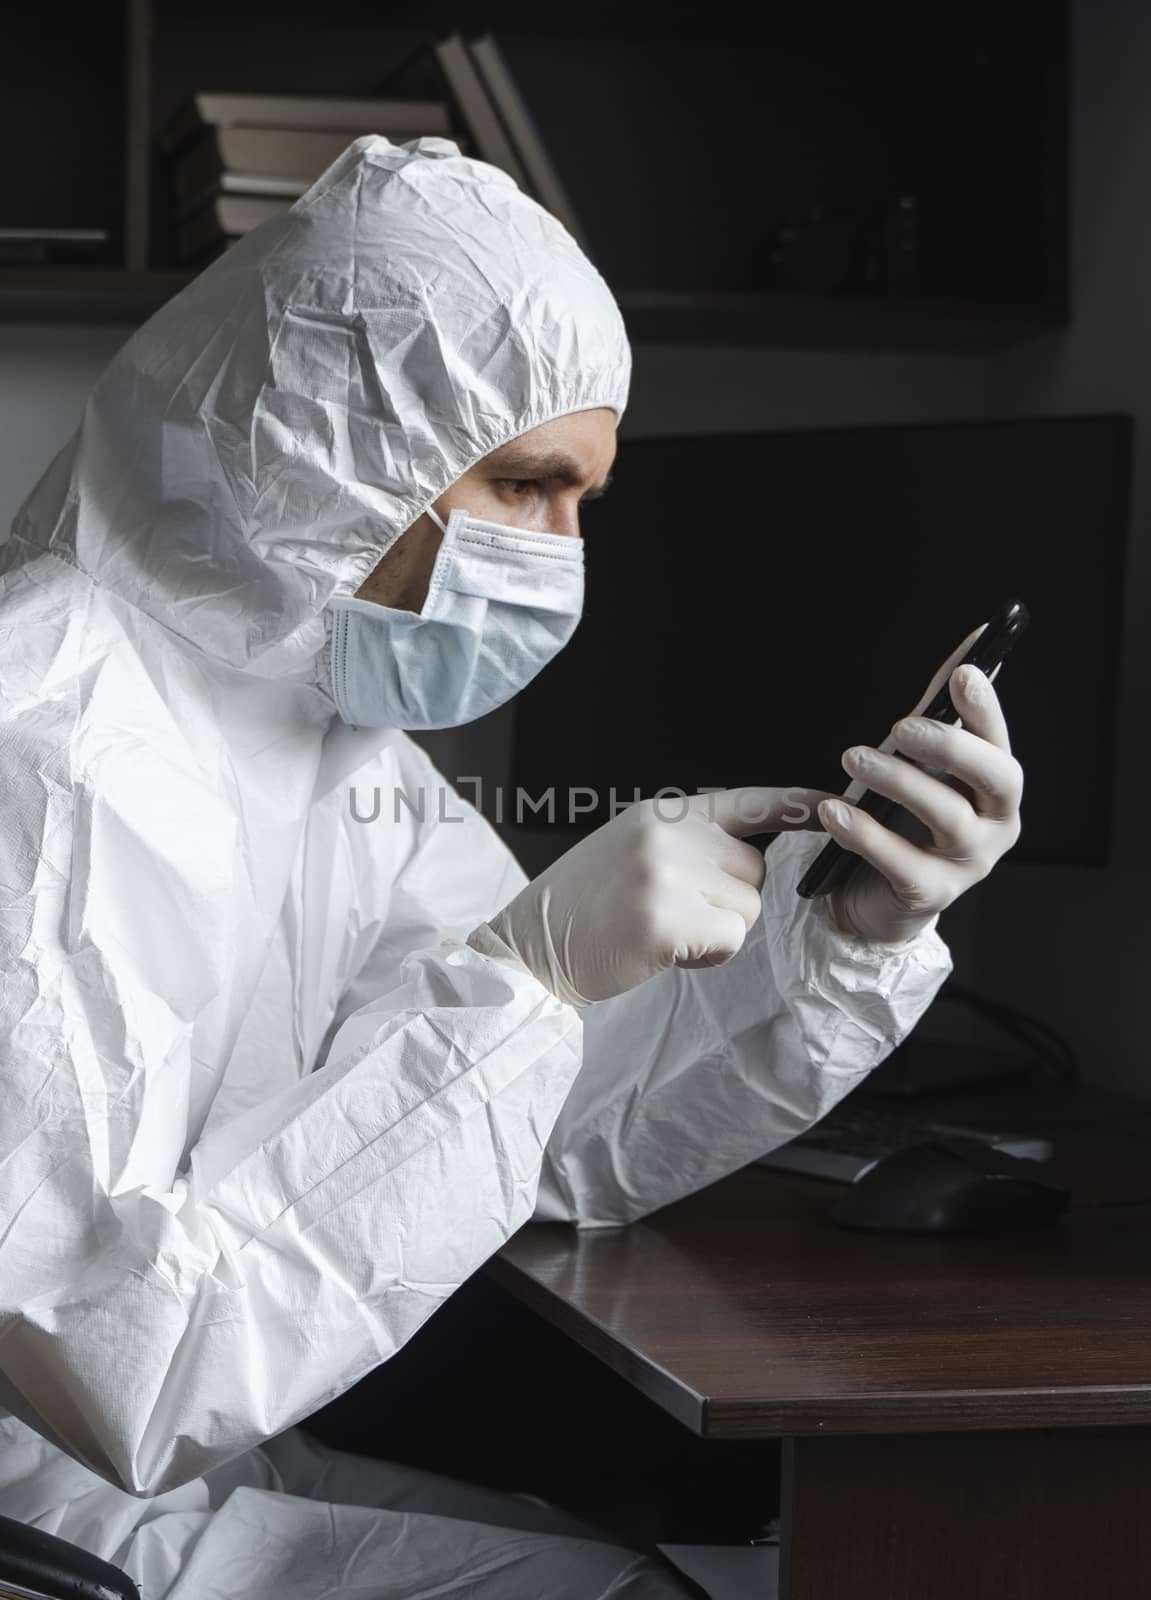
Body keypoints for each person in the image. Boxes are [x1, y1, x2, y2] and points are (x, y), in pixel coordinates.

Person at [0, 136, 1023, 1599]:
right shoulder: (40, 734)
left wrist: (846, 933)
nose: (564, 556)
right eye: (530, 485)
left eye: (586, 504)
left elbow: (542, 1134)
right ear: (335, 438)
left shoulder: (311, 727)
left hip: (181, 1463)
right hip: (56, 1504)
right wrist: (521, 975)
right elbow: (122, 1364)